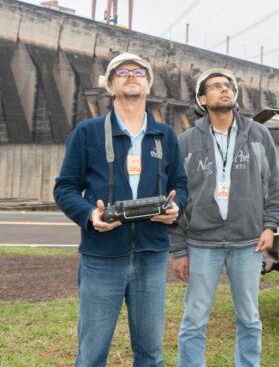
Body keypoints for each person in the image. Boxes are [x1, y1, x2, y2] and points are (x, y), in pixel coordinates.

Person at [54, 52, 187, 366]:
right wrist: (90, 215)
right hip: (101, 257)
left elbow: (180, 184)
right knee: (91, 355)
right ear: (110, 87)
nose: (131, 75)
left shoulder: (165, 135)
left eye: (139, 72)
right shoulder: (87, 133)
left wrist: (175, 206)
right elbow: (65, 187)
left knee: (151, 355)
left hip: (152, 256)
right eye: (122, 71)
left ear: (148, 85)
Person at [170, 68, 279, 367]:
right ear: (202, 98)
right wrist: (179, 250)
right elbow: (176, 198)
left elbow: (275, 184)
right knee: (194, 319)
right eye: (216, 86)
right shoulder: (186, 141)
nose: (225, 89)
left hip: (248, 243)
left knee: (249, 317)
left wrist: (270, 225)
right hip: (200, 243)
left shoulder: (257, 134)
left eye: (228, 85)